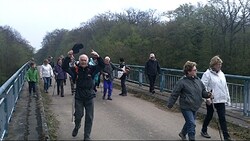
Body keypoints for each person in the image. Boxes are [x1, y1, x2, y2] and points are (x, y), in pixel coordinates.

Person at [62, 49, 104, 140]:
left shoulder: (91, 69)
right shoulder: (75, 70)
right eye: (82, 60)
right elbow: (64, 67)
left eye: (85, 60)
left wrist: (98, 56)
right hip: (79, 96)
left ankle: (87, 136)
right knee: (78, 115)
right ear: (79, 61)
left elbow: (102, 66)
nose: (83, 62)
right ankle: (77, 126)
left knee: (89, 117)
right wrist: (68, 57)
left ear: (87, 61)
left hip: (89, 96)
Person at [167, 61, 212, 141]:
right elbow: (175, 93)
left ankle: (183, 133)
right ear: (188, 71)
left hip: (195, 105)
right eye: (194, 70)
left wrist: (208, 94)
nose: (196, 71)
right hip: (186, 106)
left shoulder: (198, 80)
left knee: (189, 122)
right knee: (191, 123)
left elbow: (203, 92)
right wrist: (170, 104)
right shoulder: (182, 82)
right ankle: (192, 138)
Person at [200, 55, 232, 141]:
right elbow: (203, 87)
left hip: (221, 99)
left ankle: (226, 137)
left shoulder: (222, 74)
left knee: (222, 117)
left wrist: (227, 98)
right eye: (218, 64)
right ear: (213, 65)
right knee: (209, 115)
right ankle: (204, 130)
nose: (220, 66)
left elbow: (225, 87)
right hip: (212, 100)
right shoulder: (207, 74)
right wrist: (207, 98)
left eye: (220, 64)